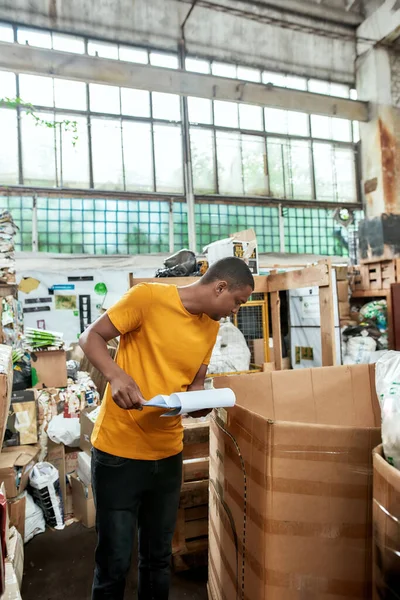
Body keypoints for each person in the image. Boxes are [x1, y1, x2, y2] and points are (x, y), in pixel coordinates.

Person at [79, 256, 255, 600]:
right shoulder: (147, 298)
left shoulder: (211, 327)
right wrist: (117, 375)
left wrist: (201, 402)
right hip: (119, 453)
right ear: (220, 286)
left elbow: (195, 385)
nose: (237, 310)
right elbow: (90, 337)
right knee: (114, 562)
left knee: (158, 559)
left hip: (167, 456)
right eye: (238, 301)